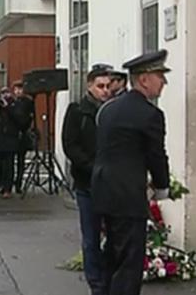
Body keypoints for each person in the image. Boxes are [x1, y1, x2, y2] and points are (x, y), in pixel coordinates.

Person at [92, 50, 171, 295]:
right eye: (160, 75)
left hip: (104, 190)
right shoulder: (150, 115)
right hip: (128, 195)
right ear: (144, 79)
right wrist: (162, 187)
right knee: (129, 263)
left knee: (112, 255)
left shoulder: (109, 109)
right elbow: (156, 155)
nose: (164, 82)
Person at [62, 64, 113, 295]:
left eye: (108, 86)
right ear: (89, 86)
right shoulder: (77, 111)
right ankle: (96, 284)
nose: (105, 90)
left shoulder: (113, 111)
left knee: (114, 236)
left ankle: (108, 276)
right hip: (87, 183)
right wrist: (92, 168)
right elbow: (70, 145)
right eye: (100, 86)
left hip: (112, 185)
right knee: (91, 238)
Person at [0, 87, 25, 199]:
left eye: (6, 93)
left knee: (8, 166)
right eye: (2, 94)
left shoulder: (15, 105)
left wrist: (7, 107)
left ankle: (7, 189)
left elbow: (20, 120)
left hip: (10, 139)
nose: (4, 96)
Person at [11, 81, 35, 193]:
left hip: (23, 133)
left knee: (21, 160)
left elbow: (31, 117)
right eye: (16, 89)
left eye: (20, 89)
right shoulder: (11, 102)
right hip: (12, 133)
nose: (18, 91)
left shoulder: (28, 102)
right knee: (9, 161)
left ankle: (19, 183)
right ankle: (8, 183)